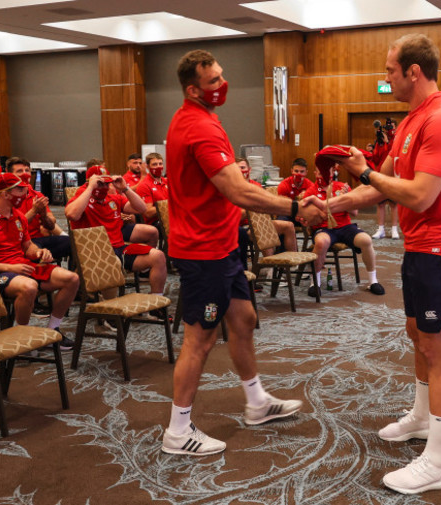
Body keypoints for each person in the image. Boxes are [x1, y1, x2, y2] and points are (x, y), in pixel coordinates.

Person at [311, 34, 441, 494]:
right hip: (420, 248)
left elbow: (420, 194)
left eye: (389, 71)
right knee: (419, 336)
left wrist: (363, 170)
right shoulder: (410, 123)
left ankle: (440, 461)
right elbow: (383, 187)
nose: (384, 79)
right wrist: (334, 204)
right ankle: (423, 417)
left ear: (413, 72)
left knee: (440, 348)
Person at [162, 49, 324, 456]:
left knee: (244, 318)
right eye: (213, 80)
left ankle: (256, 403)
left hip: (221, 244)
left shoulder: (204, 118)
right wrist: (293, 208)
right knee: (199, 339)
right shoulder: (197, 125)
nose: (222, 84)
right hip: (203, 251)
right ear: (192, 89)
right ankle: (178, 432)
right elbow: (236, 190)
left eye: (221, 75)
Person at [0, 173, 79, 349]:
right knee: (29, 287)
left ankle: (53, 329)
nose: (25, 193)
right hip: (1, 271)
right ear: (5, 193)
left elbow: (28, 246)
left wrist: (40, 252)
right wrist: (10, 267)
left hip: (21, 267)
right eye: (20, 189)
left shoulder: (18, 216)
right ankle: (23, 337)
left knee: (71, 279)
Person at [65, 165, 167, 296]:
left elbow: (142, 209)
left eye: (107, 183)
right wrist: (90, 188)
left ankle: (156, 300)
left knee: (158, 256)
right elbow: (72, 215)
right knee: (113, 262)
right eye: (100, 184)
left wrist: (125, 188)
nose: (105, 188)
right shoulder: (81, 198)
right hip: (96, 252)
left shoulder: (113, 198)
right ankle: (111, 311)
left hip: (119, 248)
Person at [303, 163, 385, 298]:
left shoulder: (342, 187)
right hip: (324, 228)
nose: (323, 175)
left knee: (366, 240)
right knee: (321, 243)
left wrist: (346, 199)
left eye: (326, 172)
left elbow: (354, 213)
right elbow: (309, 218)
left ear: (333, 173)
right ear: (315, 173)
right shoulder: (311, 191)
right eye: (320, 172)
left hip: (345, 227)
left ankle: (373, 281)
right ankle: (315, 283)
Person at [5, 157, 72, 263]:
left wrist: (44, 215)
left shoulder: (37, 195)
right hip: (20, 243)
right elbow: (15, 228)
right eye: (19, 171)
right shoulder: (6, 197)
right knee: (35, 252)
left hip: (39, 239)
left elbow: (51, 225)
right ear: (9, 174)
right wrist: (34, 211)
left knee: (73, 244)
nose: (25, 174)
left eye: (27, 170)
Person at [371, 119, 400, 240]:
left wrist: (388, 143)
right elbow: (376, 159)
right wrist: (380, 144)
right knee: (381, 203)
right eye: (387, 127)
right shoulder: (379, 141)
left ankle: (394, 229)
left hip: (392, 175)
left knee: (393, 204)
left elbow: (394, 154)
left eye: (391, 127)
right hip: (380, 175)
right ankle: (381, 229)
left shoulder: (397, 140)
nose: (389, 129)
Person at [135, 152, 168, 226]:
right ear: (147, 167)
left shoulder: (167, 181)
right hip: (156, 223)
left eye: (160, 164)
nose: (158, 167)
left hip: (170, 217)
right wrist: (170, 205)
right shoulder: (144, 185)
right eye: (154, 164)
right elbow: (148, 212)